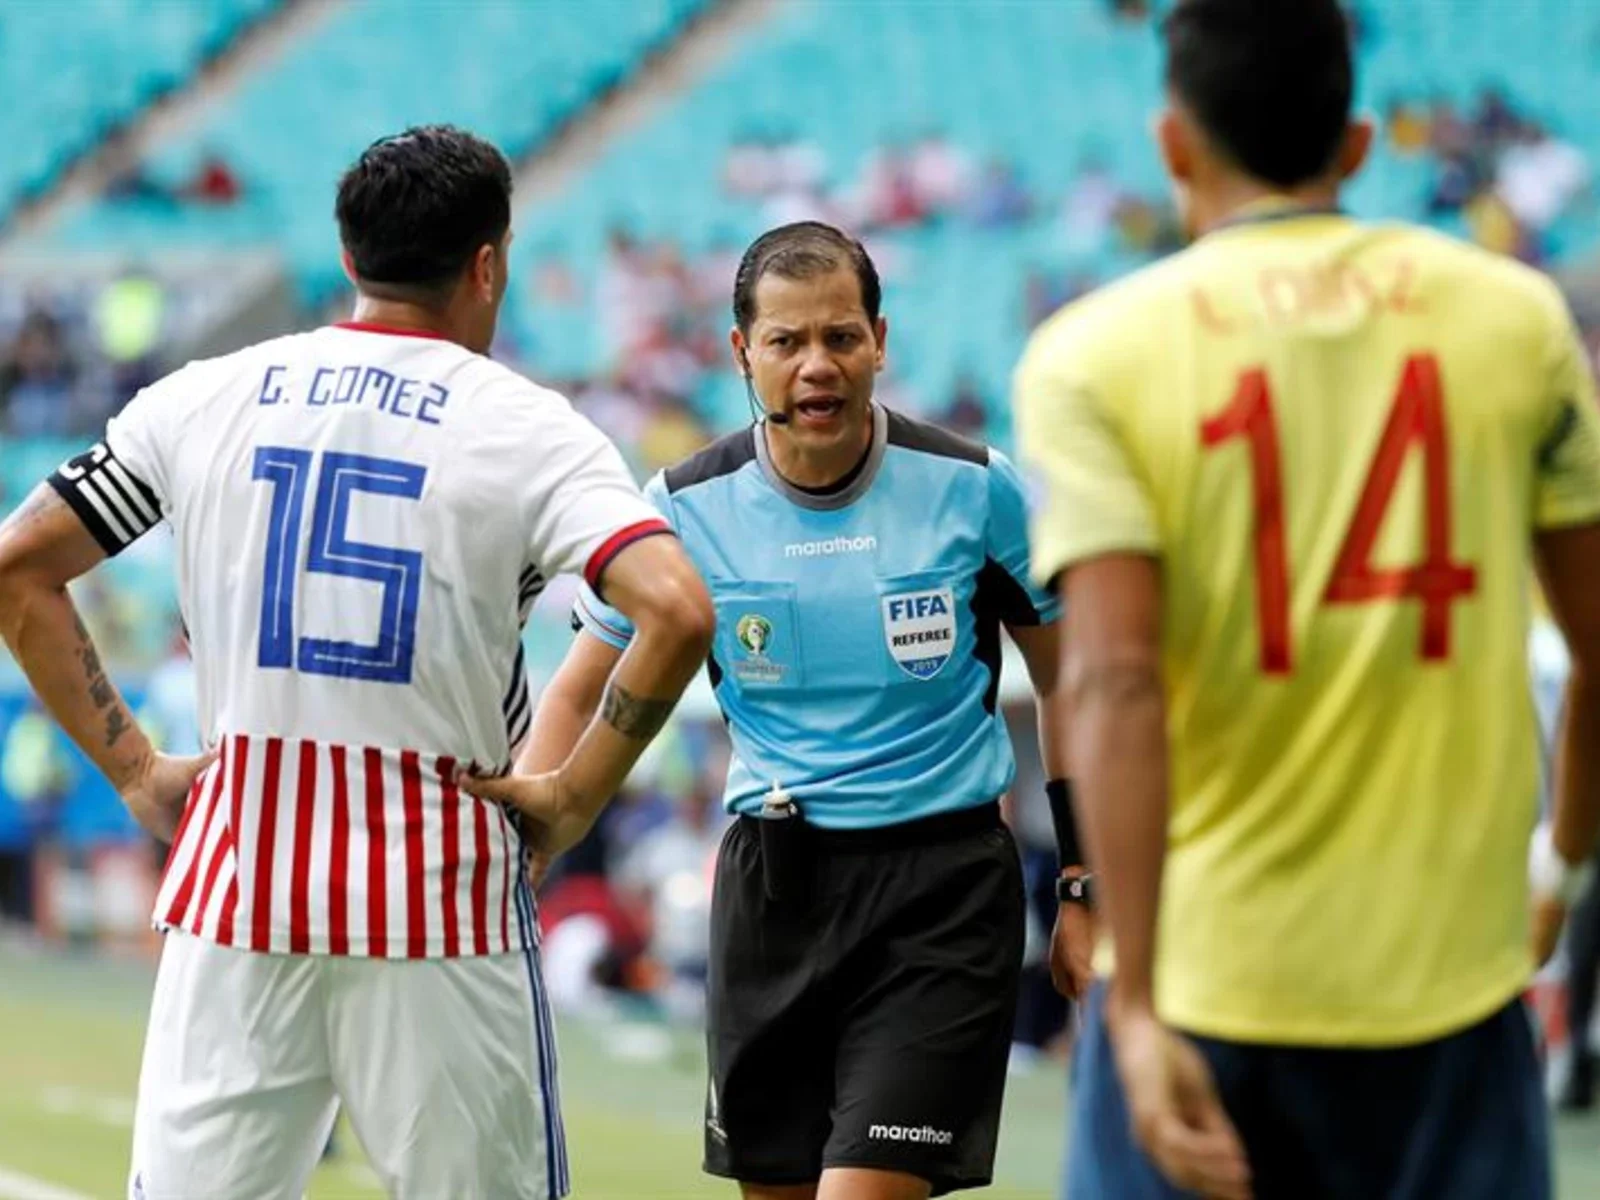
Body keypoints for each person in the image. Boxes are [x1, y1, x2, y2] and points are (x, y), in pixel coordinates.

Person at [0, 124, 714, 1200]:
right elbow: (674, 608)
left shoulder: (205, 396)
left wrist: (138, 770)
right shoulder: (529, 430)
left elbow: (17, 571)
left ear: (349, 260)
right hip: (441, 909)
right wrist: (572, 798)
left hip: (240, 895)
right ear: (488, 264)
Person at [1012, 1, 1600, 1198]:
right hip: (1451, 990)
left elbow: (1113, 678)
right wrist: (1563, 865)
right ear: (1358, 143)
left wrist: (1137, 1008)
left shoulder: (1092, 355)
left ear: (1172, 143)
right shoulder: (1512, 317)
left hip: (1204, 981)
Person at [465, 220, 1091, 1200]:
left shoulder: (973, 490)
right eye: (786, 342)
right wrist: (530, 831)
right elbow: (582, 682)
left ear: (880, 341)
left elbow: (1071, 681)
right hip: (770, 892)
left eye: (840, 338)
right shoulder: (680, 507)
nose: (816, 366)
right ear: (739, 353)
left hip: (941, 892)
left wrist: (1084, 884)